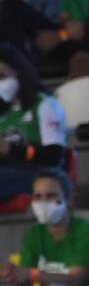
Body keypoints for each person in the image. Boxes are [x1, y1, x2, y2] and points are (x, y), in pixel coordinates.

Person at [0, 43, 69, 202]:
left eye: (2, 76)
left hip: (40, 175)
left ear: (19, 73)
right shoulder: (4, 113)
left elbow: (54, 157)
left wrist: (11, 149)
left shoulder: (45, 105)